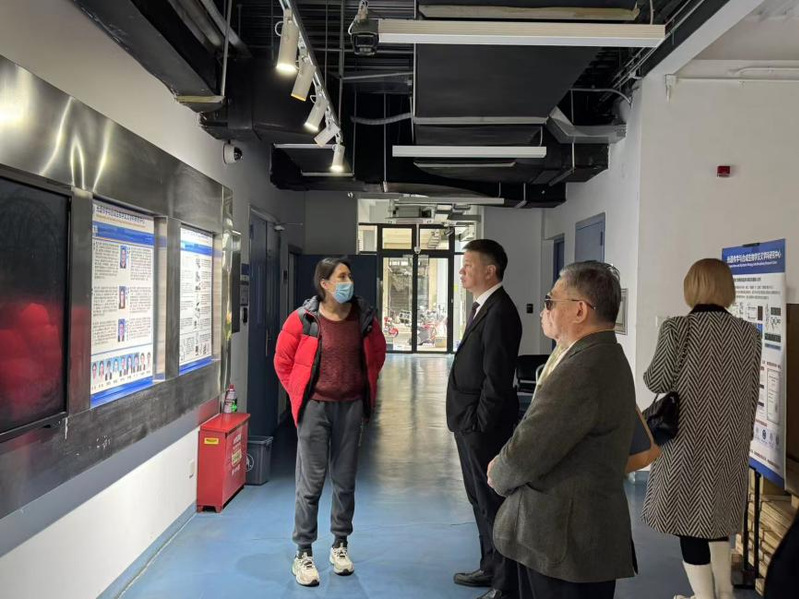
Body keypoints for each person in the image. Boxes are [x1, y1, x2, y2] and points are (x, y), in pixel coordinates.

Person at [488, 261, 636, 599]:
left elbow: (532, 446)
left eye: (551, 301)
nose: (545, 309)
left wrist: (499, 473)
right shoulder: (599, 354)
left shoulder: (582, 369)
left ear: (580, 310)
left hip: (565, 541)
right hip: (575, 536)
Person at [641, 258, 761, 599]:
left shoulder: (677, 328)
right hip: (730, 441)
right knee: (716, 517)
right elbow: (752, 391)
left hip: (687, 442)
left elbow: (657, 380)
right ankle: (724, 592)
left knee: (689, 521)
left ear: (691, 288)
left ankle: (705, 597)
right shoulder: (748, 334)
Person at [274, 257, 387, 587]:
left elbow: (377, 355)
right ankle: (304, 552)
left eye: (349, 276)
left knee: (345, 481)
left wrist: (360, 388)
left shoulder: (363, 318)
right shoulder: (303, 319)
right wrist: (301, 394)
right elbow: (283, 362)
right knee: (310, 484)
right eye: (341, 277)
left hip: (350, 408)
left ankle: (340, 545)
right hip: (315, 409)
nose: (348, 282)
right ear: (324, 283)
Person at [447, 240, 522, 599]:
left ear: (490, 271)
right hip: (468, 423)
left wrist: (480, 424)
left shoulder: (500, 311)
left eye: (468, 265)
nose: (462, 271)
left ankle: (504, 584)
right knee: (478, 499)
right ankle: (489, 566)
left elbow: (497, 378)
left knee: (493, 502)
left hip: (482, 428)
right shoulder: (483, 306)